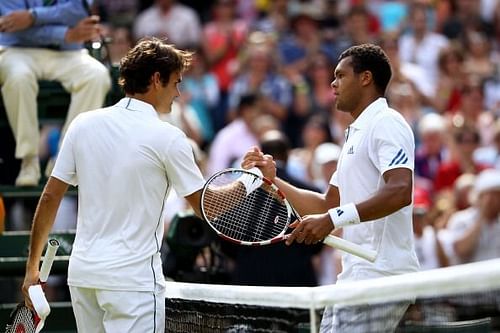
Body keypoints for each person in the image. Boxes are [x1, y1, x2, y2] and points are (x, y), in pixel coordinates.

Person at [21, 37, 206, 333]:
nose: (178, 92)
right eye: (176, 82)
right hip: (132, 284)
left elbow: (50, 196)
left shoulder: (82, 124)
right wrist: (251, 183)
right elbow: (206, 207)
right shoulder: (169, 138)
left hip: (84, 278)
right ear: (157, 79)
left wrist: (32, 268)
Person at [242, 43, 419, 332]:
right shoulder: (354, 134)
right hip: (354, 274)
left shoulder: (386, 122)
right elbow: (327, 204)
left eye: (340, 76)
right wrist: (272, 182)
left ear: (365, 78)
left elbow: (400, 191)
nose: (333, 84)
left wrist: (332, 220)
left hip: (382, 274)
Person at [0, 0, 111, 187]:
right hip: (17, 50)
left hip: (68, 53)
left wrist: (32, 17)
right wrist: (66, 33)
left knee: (97, 76)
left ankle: (63, 162)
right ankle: (29, 161)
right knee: (19, 78)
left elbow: (77, 12)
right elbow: (13, 27)